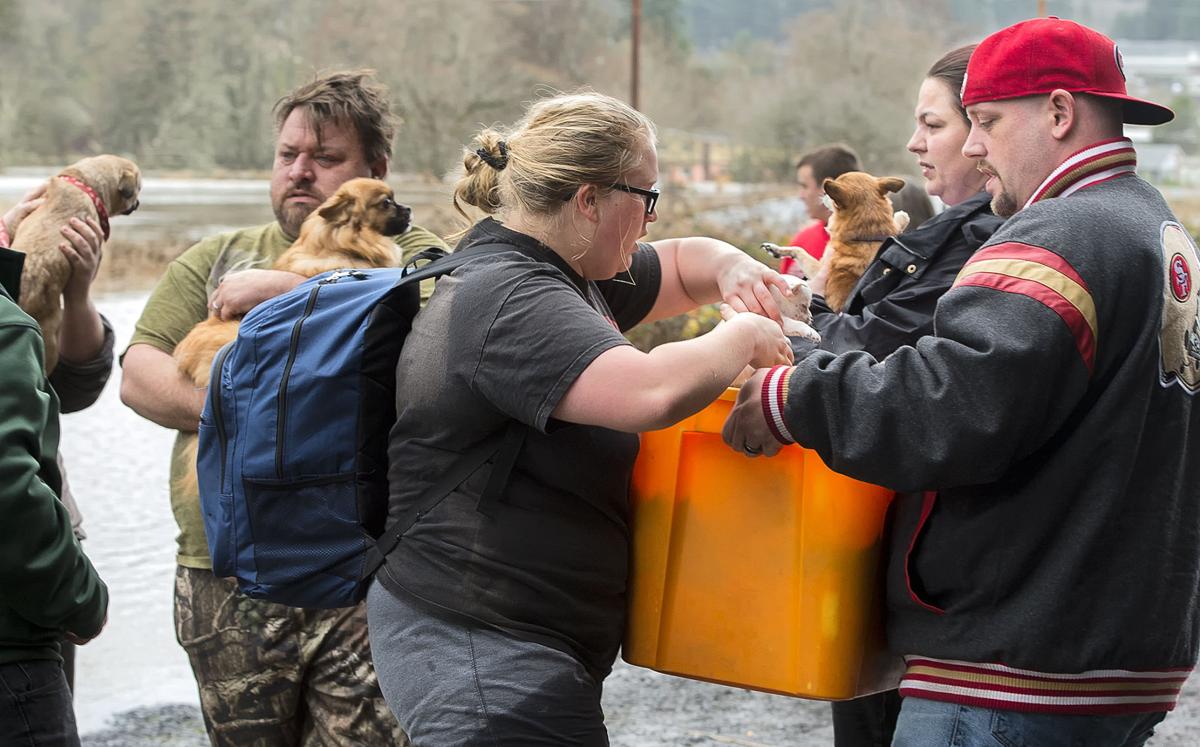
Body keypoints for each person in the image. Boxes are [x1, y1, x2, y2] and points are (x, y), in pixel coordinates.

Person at [724, 17, 1195, 746]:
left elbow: (947, 403)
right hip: (1114, 655)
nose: (973, 146)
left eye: (985, 120)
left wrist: (790, 396)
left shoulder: (1061, 235)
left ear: (1061, 113)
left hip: (1015, 670)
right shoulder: (1156, 230)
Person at [366, 91, 793, 745]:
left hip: (515, 641)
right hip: (479, 646)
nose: (653, 219)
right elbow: (648, 392)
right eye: (646, 199)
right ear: (589, 199)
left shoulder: (569, 268)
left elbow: (682, 264)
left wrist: (734, 267)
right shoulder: (509, 295)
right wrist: (744, 338)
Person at [120, 69, 443, 745]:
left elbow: (441, 330)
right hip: (225, 569)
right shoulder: (216, 258)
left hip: (365, 571)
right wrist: (248, 413)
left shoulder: (414, 256)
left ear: (375, 170)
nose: (300, 173)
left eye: (326, 159)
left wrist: (285, 291)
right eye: (287, 155)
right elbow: (140, 376)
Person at [790, 45, 1001, 746]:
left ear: (986, 130)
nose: (914, 142)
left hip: (928, 573)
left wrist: (803, 327)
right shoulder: (949, 232)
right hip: (895, 552)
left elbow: (871, 353)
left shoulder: (981, 244)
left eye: (932, 124)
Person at [3, 185, 116, 695]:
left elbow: (71, 385)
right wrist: (82, 599)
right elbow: (10, 487)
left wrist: (77, 291)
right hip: (29, 587)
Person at [788, 143, 862, 263]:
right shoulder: (802, 242)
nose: (800, 196)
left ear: (828, 188)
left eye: (804, 186)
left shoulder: (875, 245)